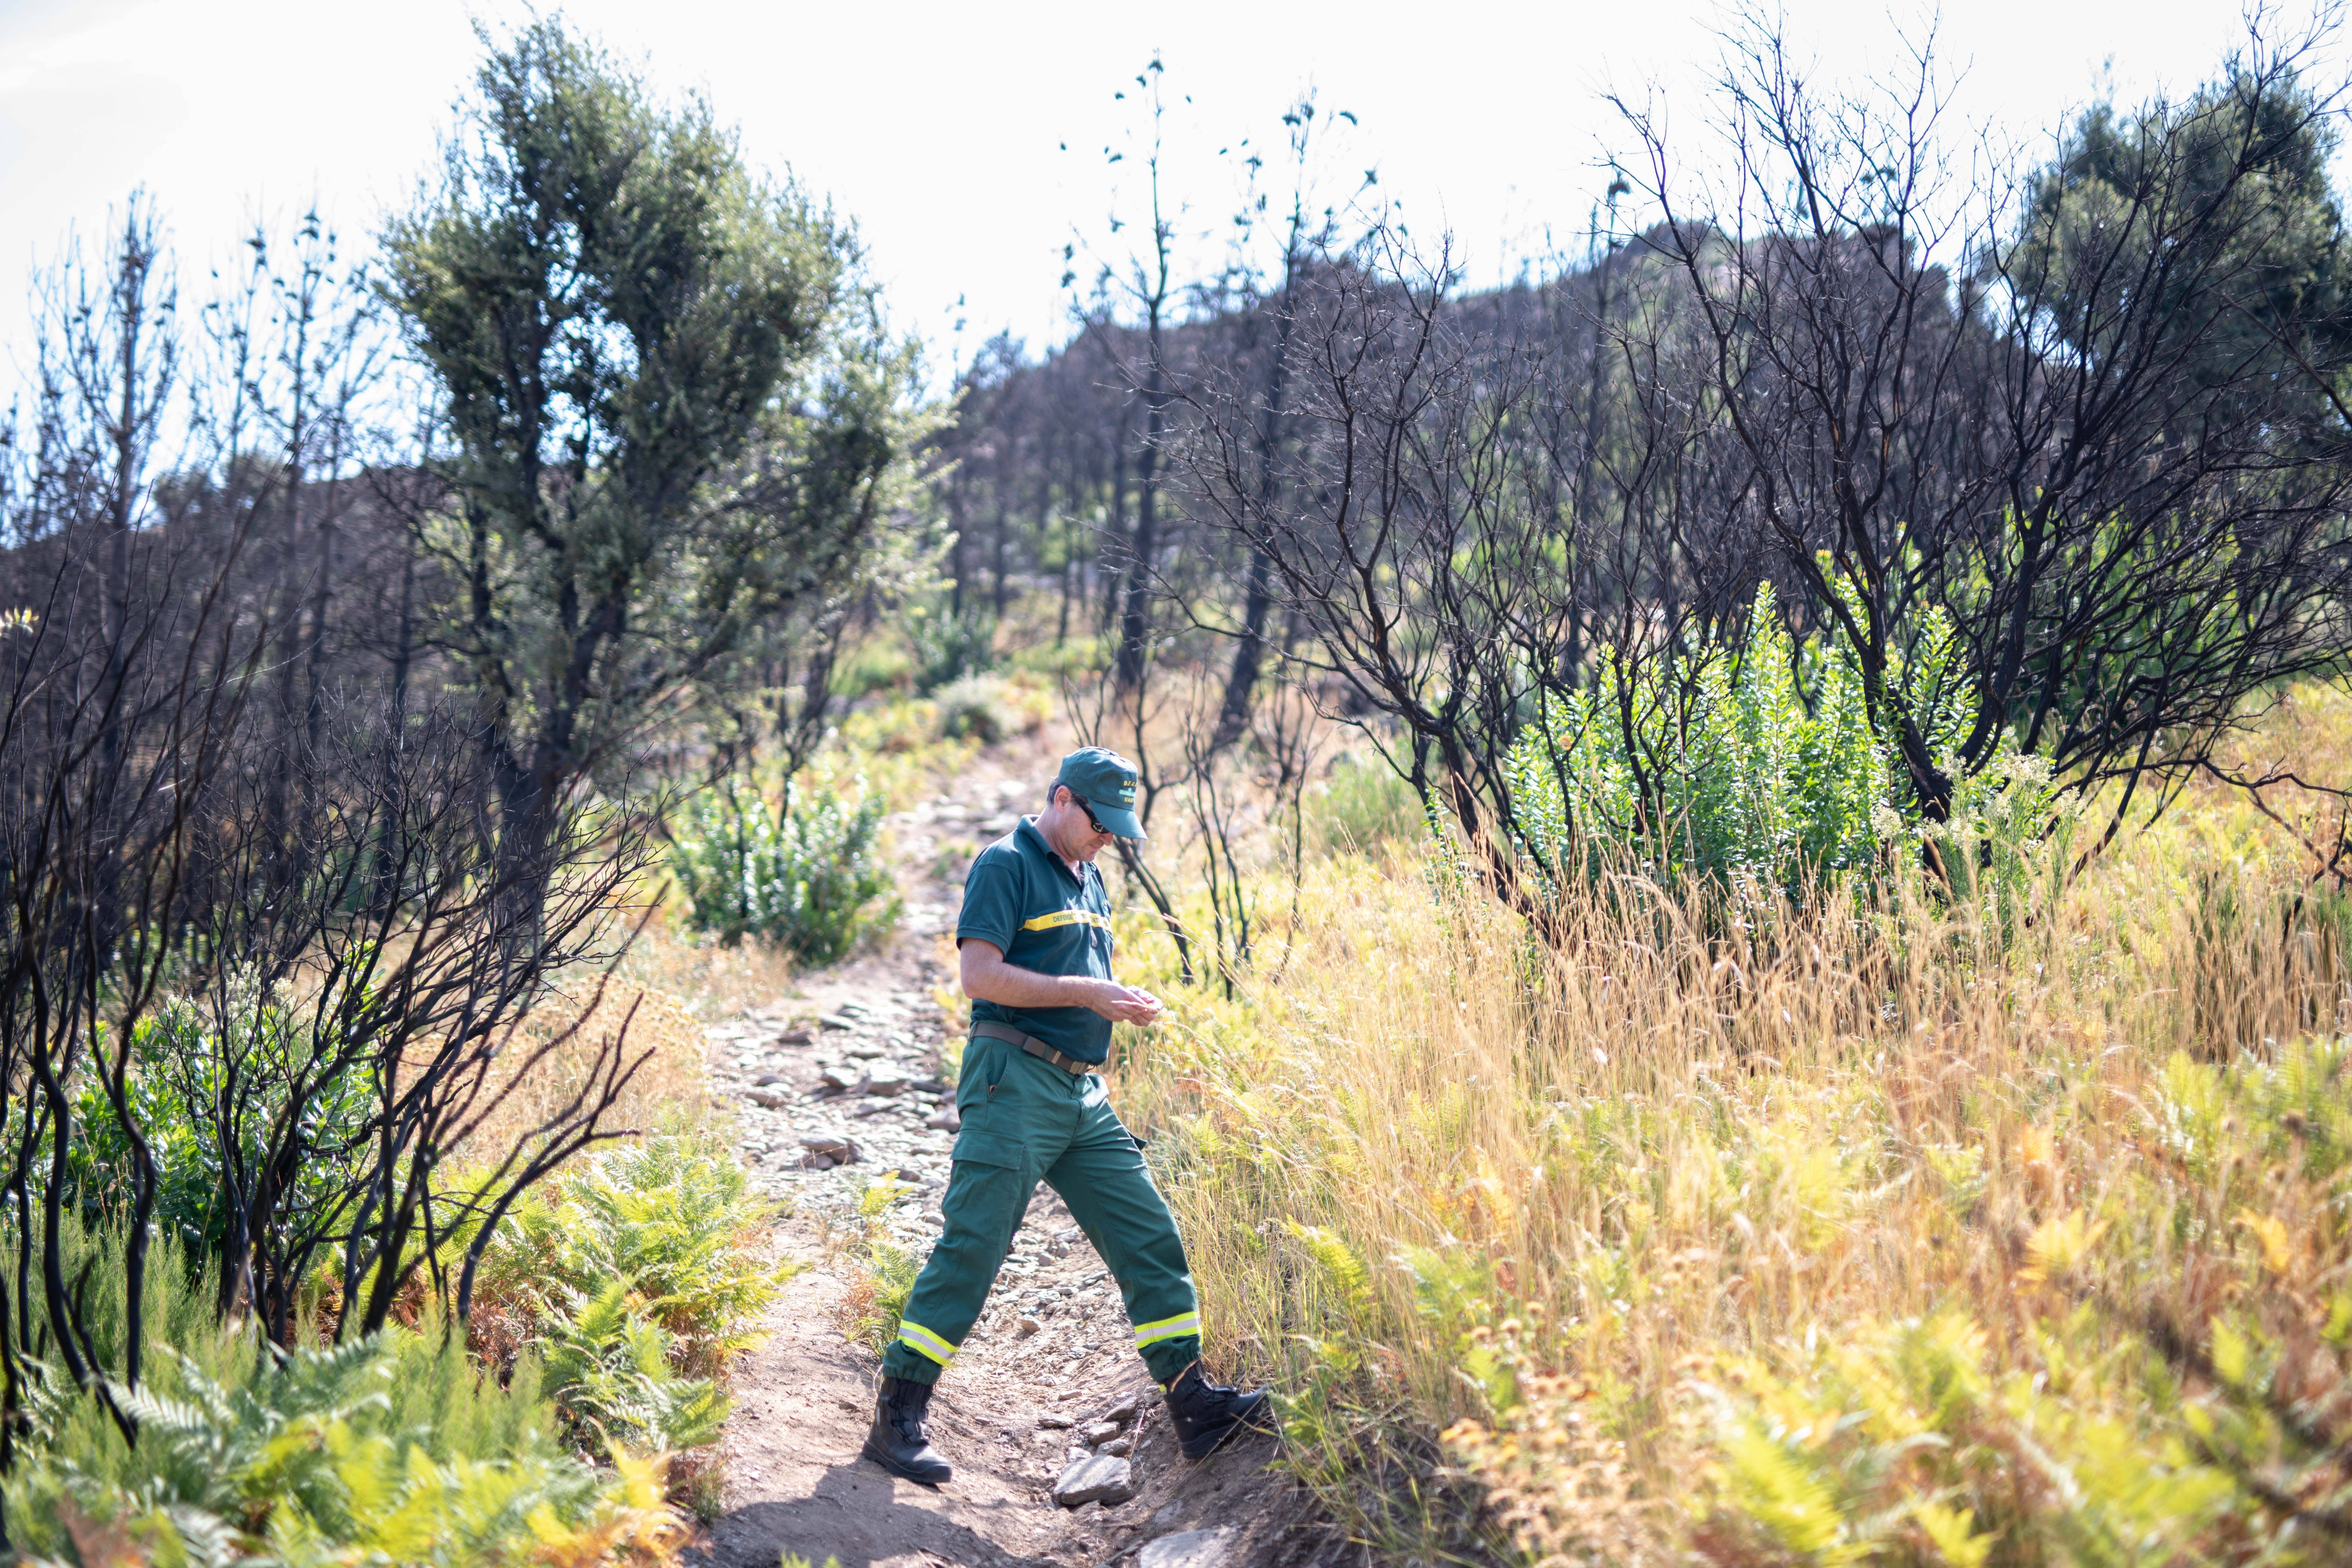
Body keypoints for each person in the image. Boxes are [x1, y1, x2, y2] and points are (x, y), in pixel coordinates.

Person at [863, 746, 1276, 1485]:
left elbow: (1075, 976)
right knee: (976, 1245)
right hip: (1012, 1081)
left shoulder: (1089, 875)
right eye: (1100, 822)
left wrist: (1117, 999)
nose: (1109, 837)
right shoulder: (1006, 864)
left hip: (1083, 1094)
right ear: (1061, 799)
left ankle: (1194, 1407)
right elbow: (980, 976)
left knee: (1149, 1234)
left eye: (1118, 827)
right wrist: (1088, 994)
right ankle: (898, 1415)